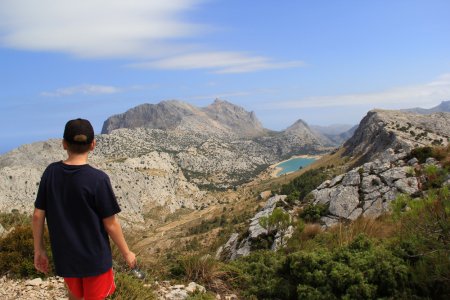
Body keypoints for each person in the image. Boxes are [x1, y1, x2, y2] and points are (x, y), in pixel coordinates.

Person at [32, 118, 136, 300]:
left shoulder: (51, 173)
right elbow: (111, 224)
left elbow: (37, 215)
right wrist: (127, 253)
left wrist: (39, 249)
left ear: (64, 144)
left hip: (66, 258)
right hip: (95, 259)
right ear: (93, 144)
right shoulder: (98, 179)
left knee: (74, 296)